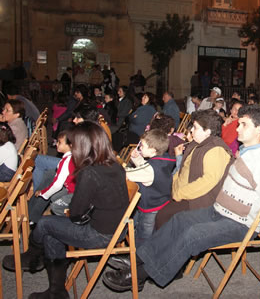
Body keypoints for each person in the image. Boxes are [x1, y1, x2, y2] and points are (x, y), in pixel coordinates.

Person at [102, 104, 260, 291]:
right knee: (178, 220)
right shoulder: (245, 154)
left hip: (240, 223)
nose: (237, 128)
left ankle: (138, 275)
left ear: (259, 129)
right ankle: (139, 258)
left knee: (193, 235)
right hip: (220, 211)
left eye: (243, 124)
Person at [2, 121, 129, 299]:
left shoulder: (89, 172)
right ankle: (55, 289)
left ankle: (34, 256)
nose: (72, 147)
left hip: (100, 233)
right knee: (51, 231)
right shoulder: (114, 165)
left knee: (46, 224)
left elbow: (76, 213)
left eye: (73, 143)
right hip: (118, 229)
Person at [153, 109, 233, 231]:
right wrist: (173, 185)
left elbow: (208, 181)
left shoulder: (216, 150)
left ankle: (164, 249)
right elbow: (183, 170)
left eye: (195, 128)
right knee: (155, 205)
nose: (191, 130)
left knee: (163, 217)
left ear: (207, 131)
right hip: (183, 193)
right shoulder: (197, 144)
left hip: (200, 201)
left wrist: (180, 193)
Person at [124, 129, 175, 246]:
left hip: (150, 207)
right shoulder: (164, 160)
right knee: (144, 230)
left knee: (144, 236)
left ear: (152, 149)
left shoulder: (150, 168)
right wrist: (137, 159)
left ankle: (138, 258)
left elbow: (129, 174)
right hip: (160, 202)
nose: (140, 147)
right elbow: (146, 169)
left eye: (142, 145)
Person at [28, 131, 76, 224]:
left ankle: (63, 223)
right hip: (72, 188)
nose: (56, 144)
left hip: (74, 192)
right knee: (53, 196)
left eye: (60, 142)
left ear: (70, 145)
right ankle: (34, 216)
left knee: (54, 201)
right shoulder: (72, 156)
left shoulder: (66, 161)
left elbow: (57, 185)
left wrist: (43, 193)